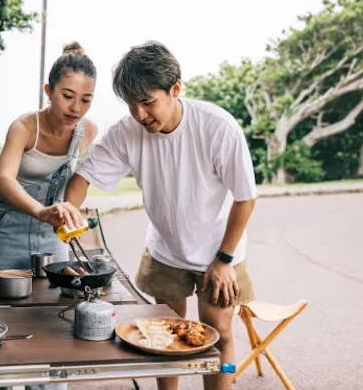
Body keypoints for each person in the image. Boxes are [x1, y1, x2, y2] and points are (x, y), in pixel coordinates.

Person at [61, 41, 258, 390]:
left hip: (219, 249)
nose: (139, 114)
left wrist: (224, 259)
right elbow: (83, 179)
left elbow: (245, 198)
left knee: (220, 331)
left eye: (148, 102)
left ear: (175, 88)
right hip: (166, 249)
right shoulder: (126, 131)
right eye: (131, 104)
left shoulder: (217, 128)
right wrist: (68, 213)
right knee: (164, 331)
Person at [0, 41, 98, 390]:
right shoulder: (24, 127)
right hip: (7, 229)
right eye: (67, 95)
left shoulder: (87, 131)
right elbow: (2, 180)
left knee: (53, 320)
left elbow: (79, 181)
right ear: (48, 91)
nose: (76, 107)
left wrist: (69, 211)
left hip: (52, 232)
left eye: (86, 99)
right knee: (0, 319)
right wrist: (40, 210)